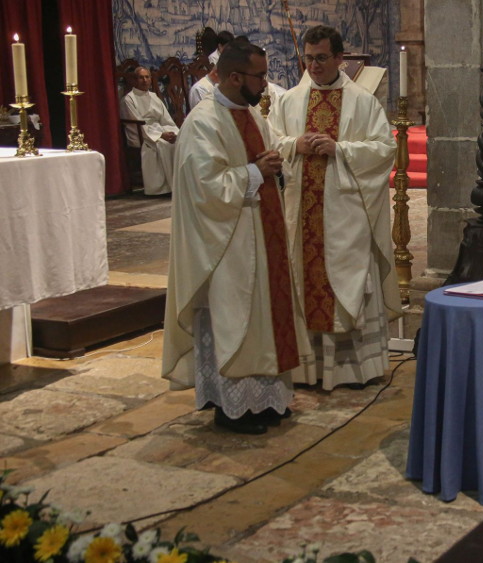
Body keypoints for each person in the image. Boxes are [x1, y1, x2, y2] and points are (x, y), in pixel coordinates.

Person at [161, 40, 308, 435]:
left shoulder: (251, 114)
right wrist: (256, 172)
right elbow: (204, 188)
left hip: (262, 234)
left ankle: (269, 400)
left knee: (266, 318)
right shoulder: (203, 122)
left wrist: (277, 162)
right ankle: (233, 408)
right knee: (236, 320)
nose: (266, 83)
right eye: (260, 76)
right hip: (226, 243)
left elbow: (269, 156)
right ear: (234, 77)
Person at [268, 25, 401, 391]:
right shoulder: (289, 100)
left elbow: (384, 149)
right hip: (301, 214)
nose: (314, 66)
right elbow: (270, 142)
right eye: (309, 59)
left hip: (345, 218)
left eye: (322, 58)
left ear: (340, 58)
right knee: (302, 281)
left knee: (344, 283)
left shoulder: (362, 101)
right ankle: (306, 368)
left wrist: (339, 149)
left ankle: (350, 370)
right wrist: (295, 145)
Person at [120, 66, 179, 195]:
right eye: (141, 78)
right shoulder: (128, 99)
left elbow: (165, 119)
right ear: (135, 80)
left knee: (178, 142)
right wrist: (160, 135)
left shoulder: (153, 96)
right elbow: (136, 122)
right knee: (164, 145)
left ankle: (179, 184)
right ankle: (166, 186)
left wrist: (173, 132)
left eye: (147, 77)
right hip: (142, 133)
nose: (145, 80)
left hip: (159, 129)